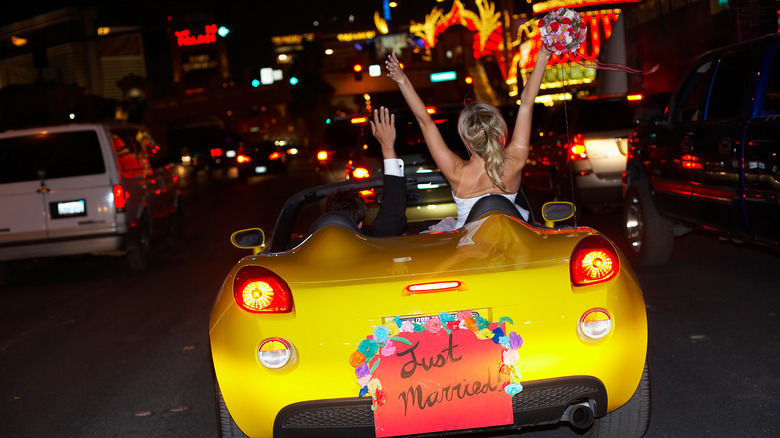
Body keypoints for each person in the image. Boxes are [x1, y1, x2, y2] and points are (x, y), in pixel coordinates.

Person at [384, 47, 553, 230]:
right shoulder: (514, 162)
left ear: (465, 139)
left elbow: (425, 121)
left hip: (470, 253)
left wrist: (402, 80)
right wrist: (543, 55)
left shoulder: (457, 172)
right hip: (512, 248)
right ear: (500, 134)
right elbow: (527, 103)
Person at [323, 106, 407, 237]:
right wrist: (387, 146)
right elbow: (393, 214)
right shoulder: (373, 239)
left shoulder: (310, 250)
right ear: (361, 224)